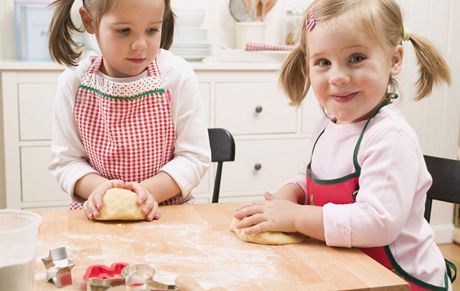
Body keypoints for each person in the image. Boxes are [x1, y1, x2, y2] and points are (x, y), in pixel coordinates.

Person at [234, 0, 456, 289]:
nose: (338, 76)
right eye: (323, 62)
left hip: (400, 281)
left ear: (394, 60)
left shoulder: (390, 138)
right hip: (351, 271)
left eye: (356, 58)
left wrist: (298, 217)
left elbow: (378, 223)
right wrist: (289, 194)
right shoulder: (329, 123)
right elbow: (313, 175)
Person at [48, 0, 211, 221]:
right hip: (97, 215)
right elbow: (66, 161)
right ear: (90, 21)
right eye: (124, 31)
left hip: (168, 214)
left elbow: (193, 157)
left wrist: (148, 193)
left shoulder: (176, 75)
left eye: (152, 30)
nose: (140, 45)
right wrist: (101, 190)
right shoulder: (74, 82)